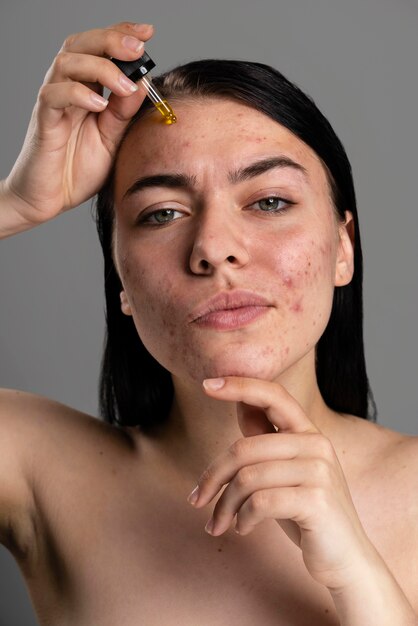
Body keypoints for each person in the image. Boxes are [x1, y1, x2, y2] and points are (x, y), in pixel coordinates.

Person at [0, 21, 417, 626]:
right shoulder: (36, 468)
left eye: (269, 201)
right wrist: (16, 204)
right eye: (162, 212)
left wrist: (359, 577)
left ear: (344, 249)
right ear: (122, 283)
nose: (214, 248)